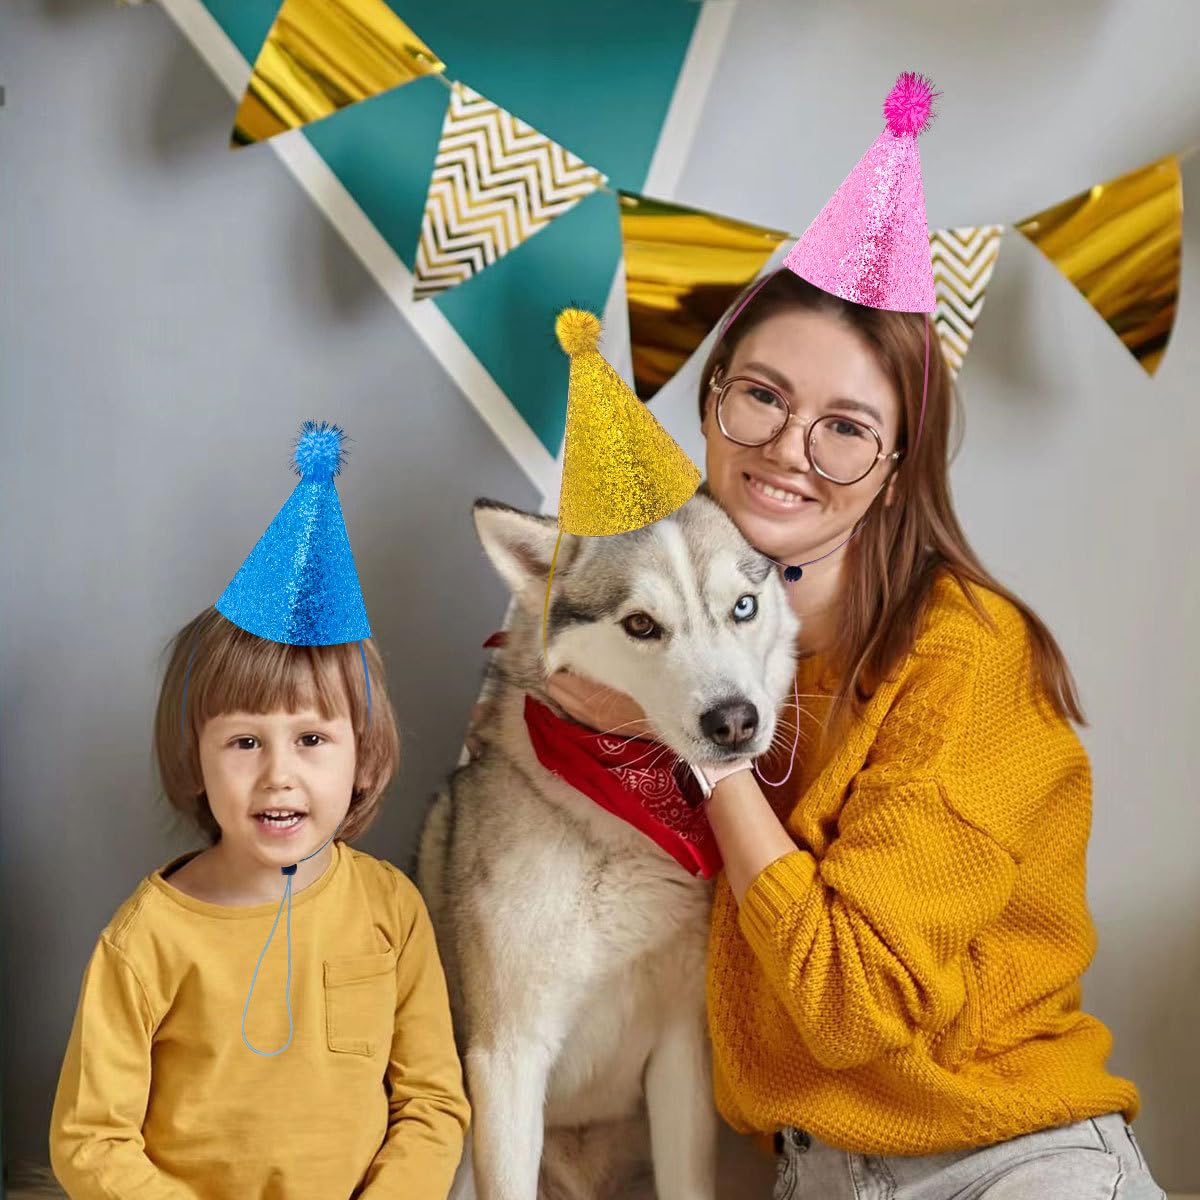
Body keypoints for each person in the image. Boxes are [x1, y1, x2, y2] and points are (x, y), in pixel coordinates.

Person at [538, 77, 1166, 1198]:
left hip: (1008, 1167)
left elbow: (851, 1002)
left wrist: (704, 735)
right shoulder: (667, 625)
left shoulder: (967, 659)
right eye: (763, 398)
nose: (789, 449)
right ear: (713, 402)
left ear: (891, 471)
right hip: (810, 1177)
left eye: (846, 429)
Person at [50, 423, 469, 1199]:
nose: (280, 775)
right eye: (244, 742)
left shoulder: (390, 911)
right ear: (197, 763)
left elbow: (432, 1103)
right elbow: (89, 1141)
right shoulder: (147, 940)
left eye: (312, 738)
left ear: (364, 756)